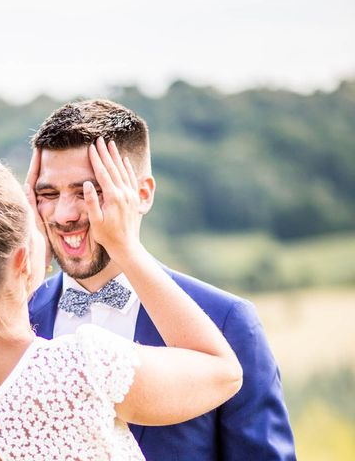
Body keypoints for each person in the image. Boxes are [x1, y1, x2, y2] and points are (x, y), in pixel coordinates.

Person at [0, 152, 242, 460]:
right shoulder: (82, 369)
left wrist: (21, 261)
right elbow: (223, 370)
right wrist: (126, 246)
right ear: (22, 258)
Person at [26, 99, 297, 461]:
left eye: (88, 192)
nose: (63, 214)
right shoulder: (17, 315)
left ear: (142, 194)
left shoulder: (228, 322)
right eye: (48, 194)